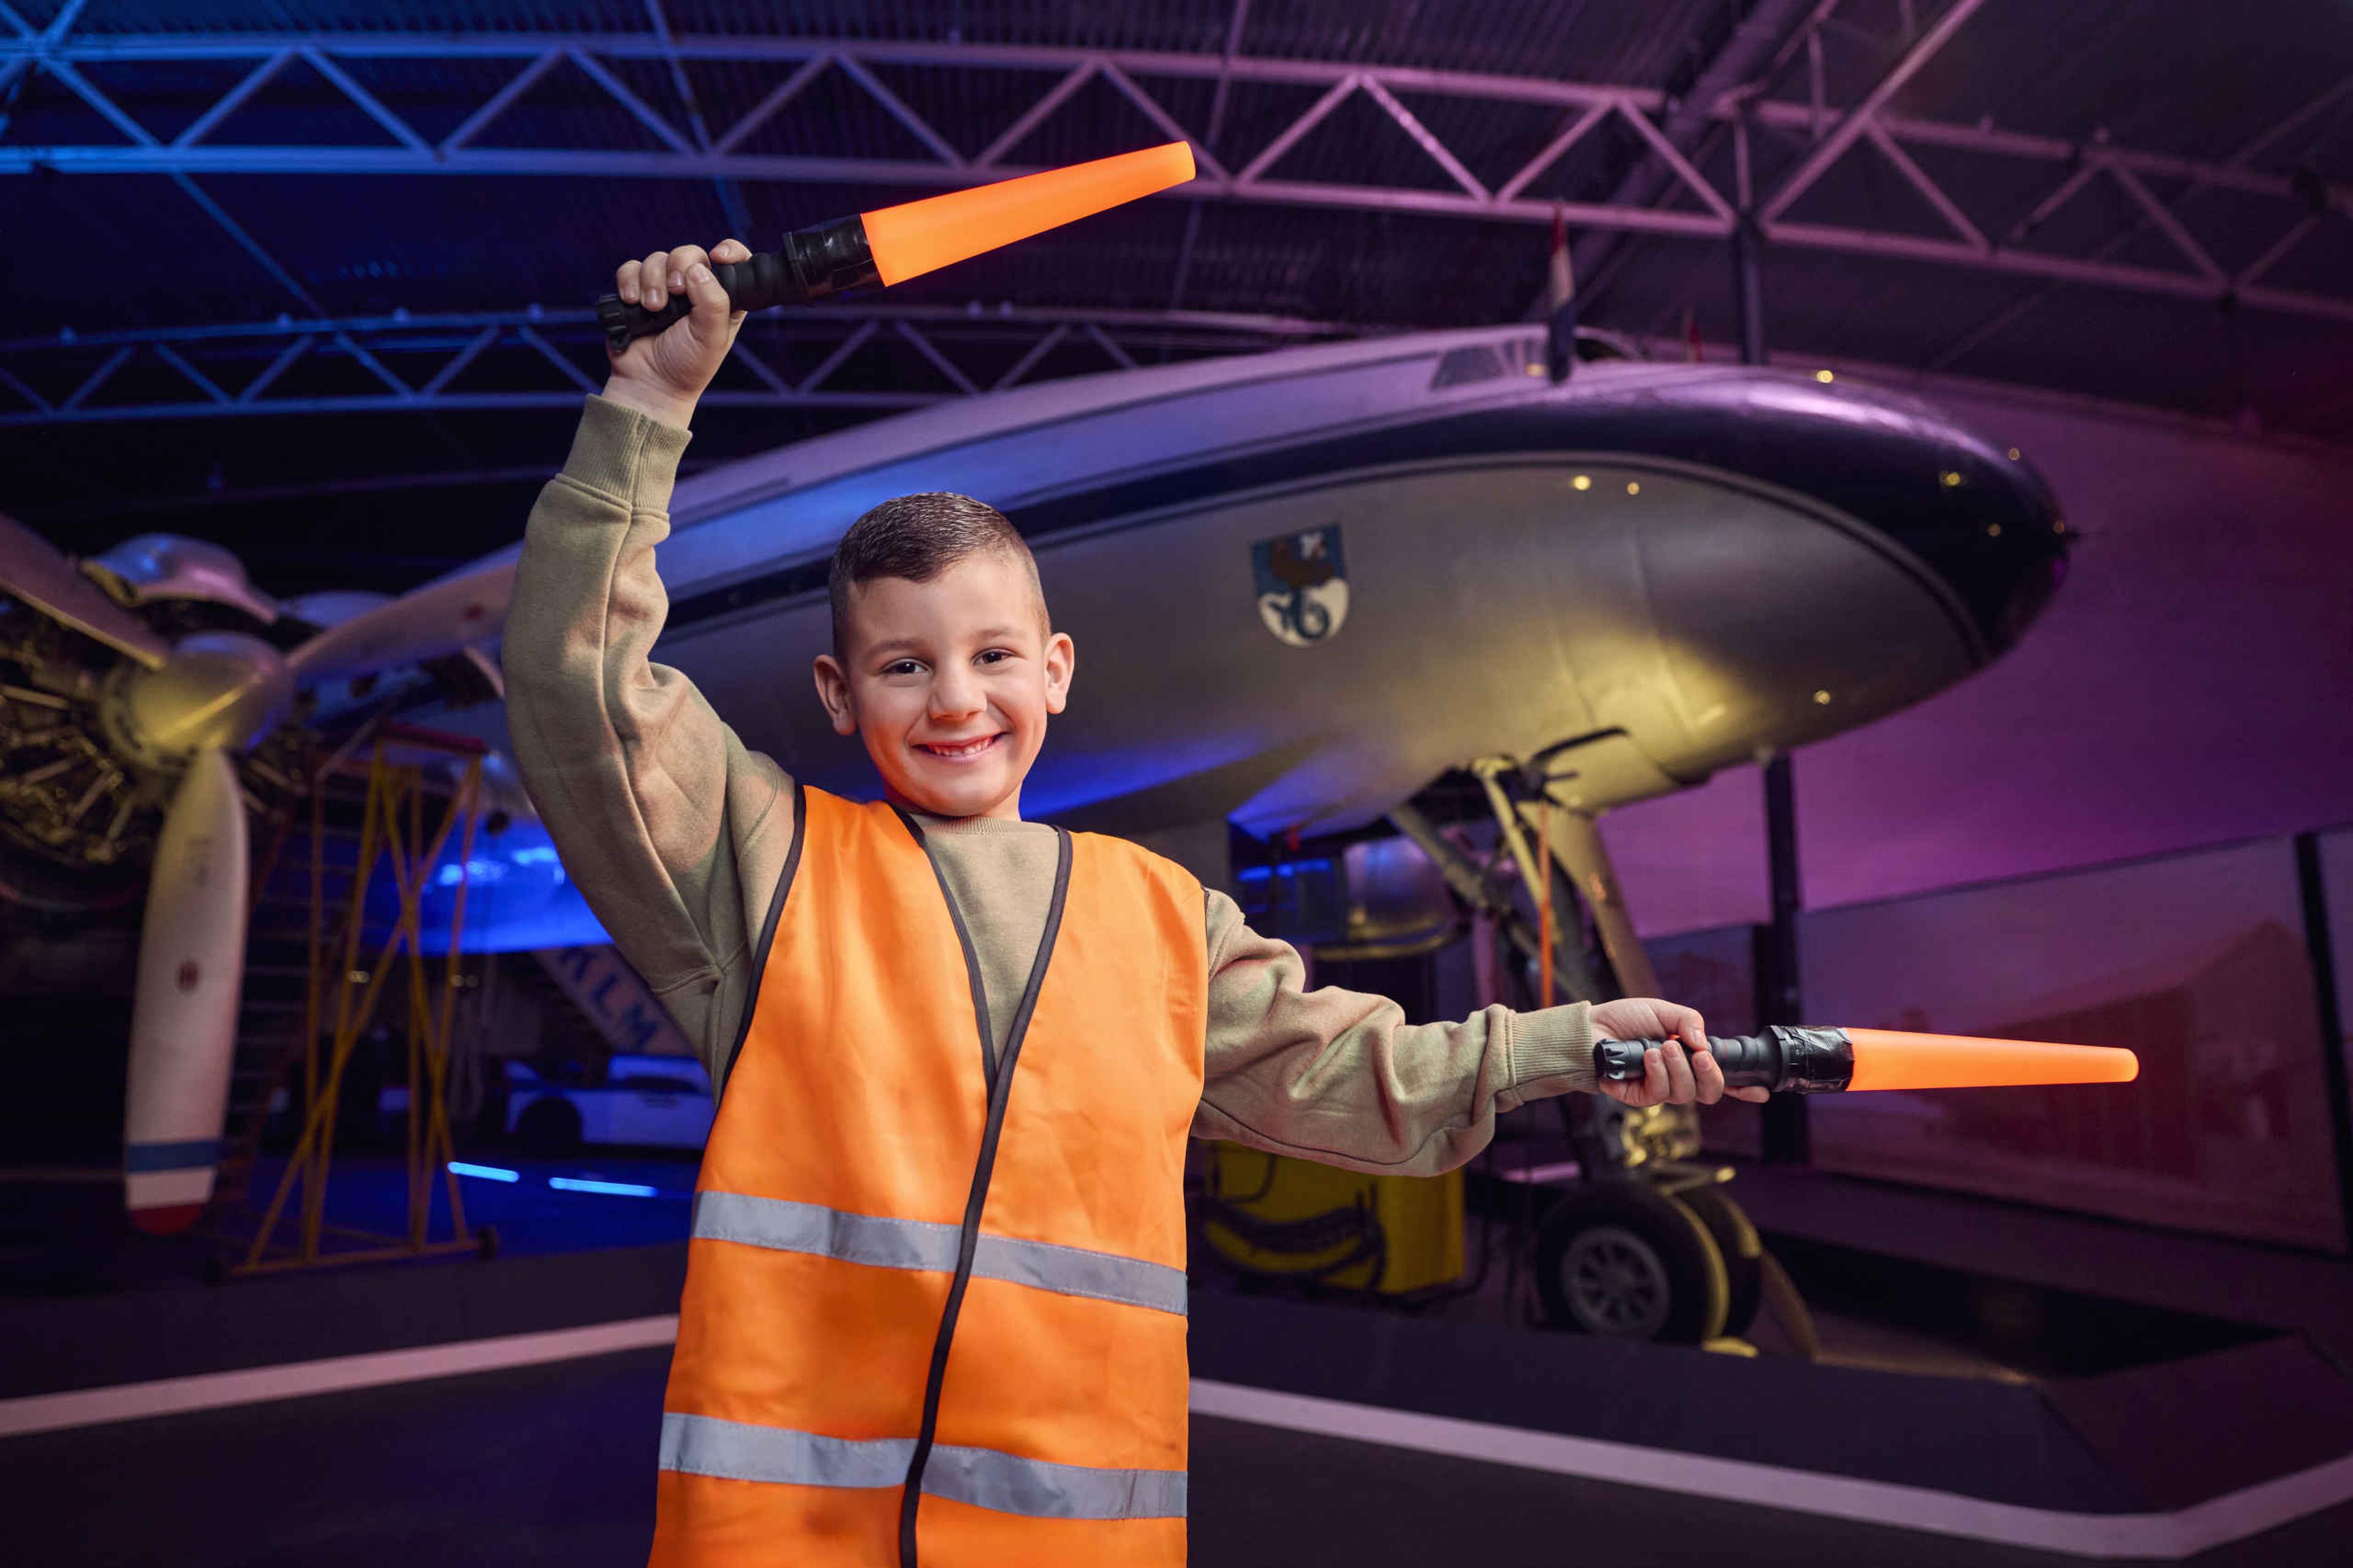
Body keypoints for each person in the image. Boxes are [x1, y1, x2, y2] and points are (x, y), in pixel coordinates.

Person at [504, 236, 1770, 1567]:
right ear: (837, 692)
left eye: (994, 655)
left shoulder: (1164, 921)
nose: (954, 699)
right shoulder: (761, 871)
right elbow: (579, 692)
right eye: (903, 663)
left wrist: (1576, 1043)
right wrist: (646, 410)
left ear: (1055, 670)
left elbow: (1375, 1075)